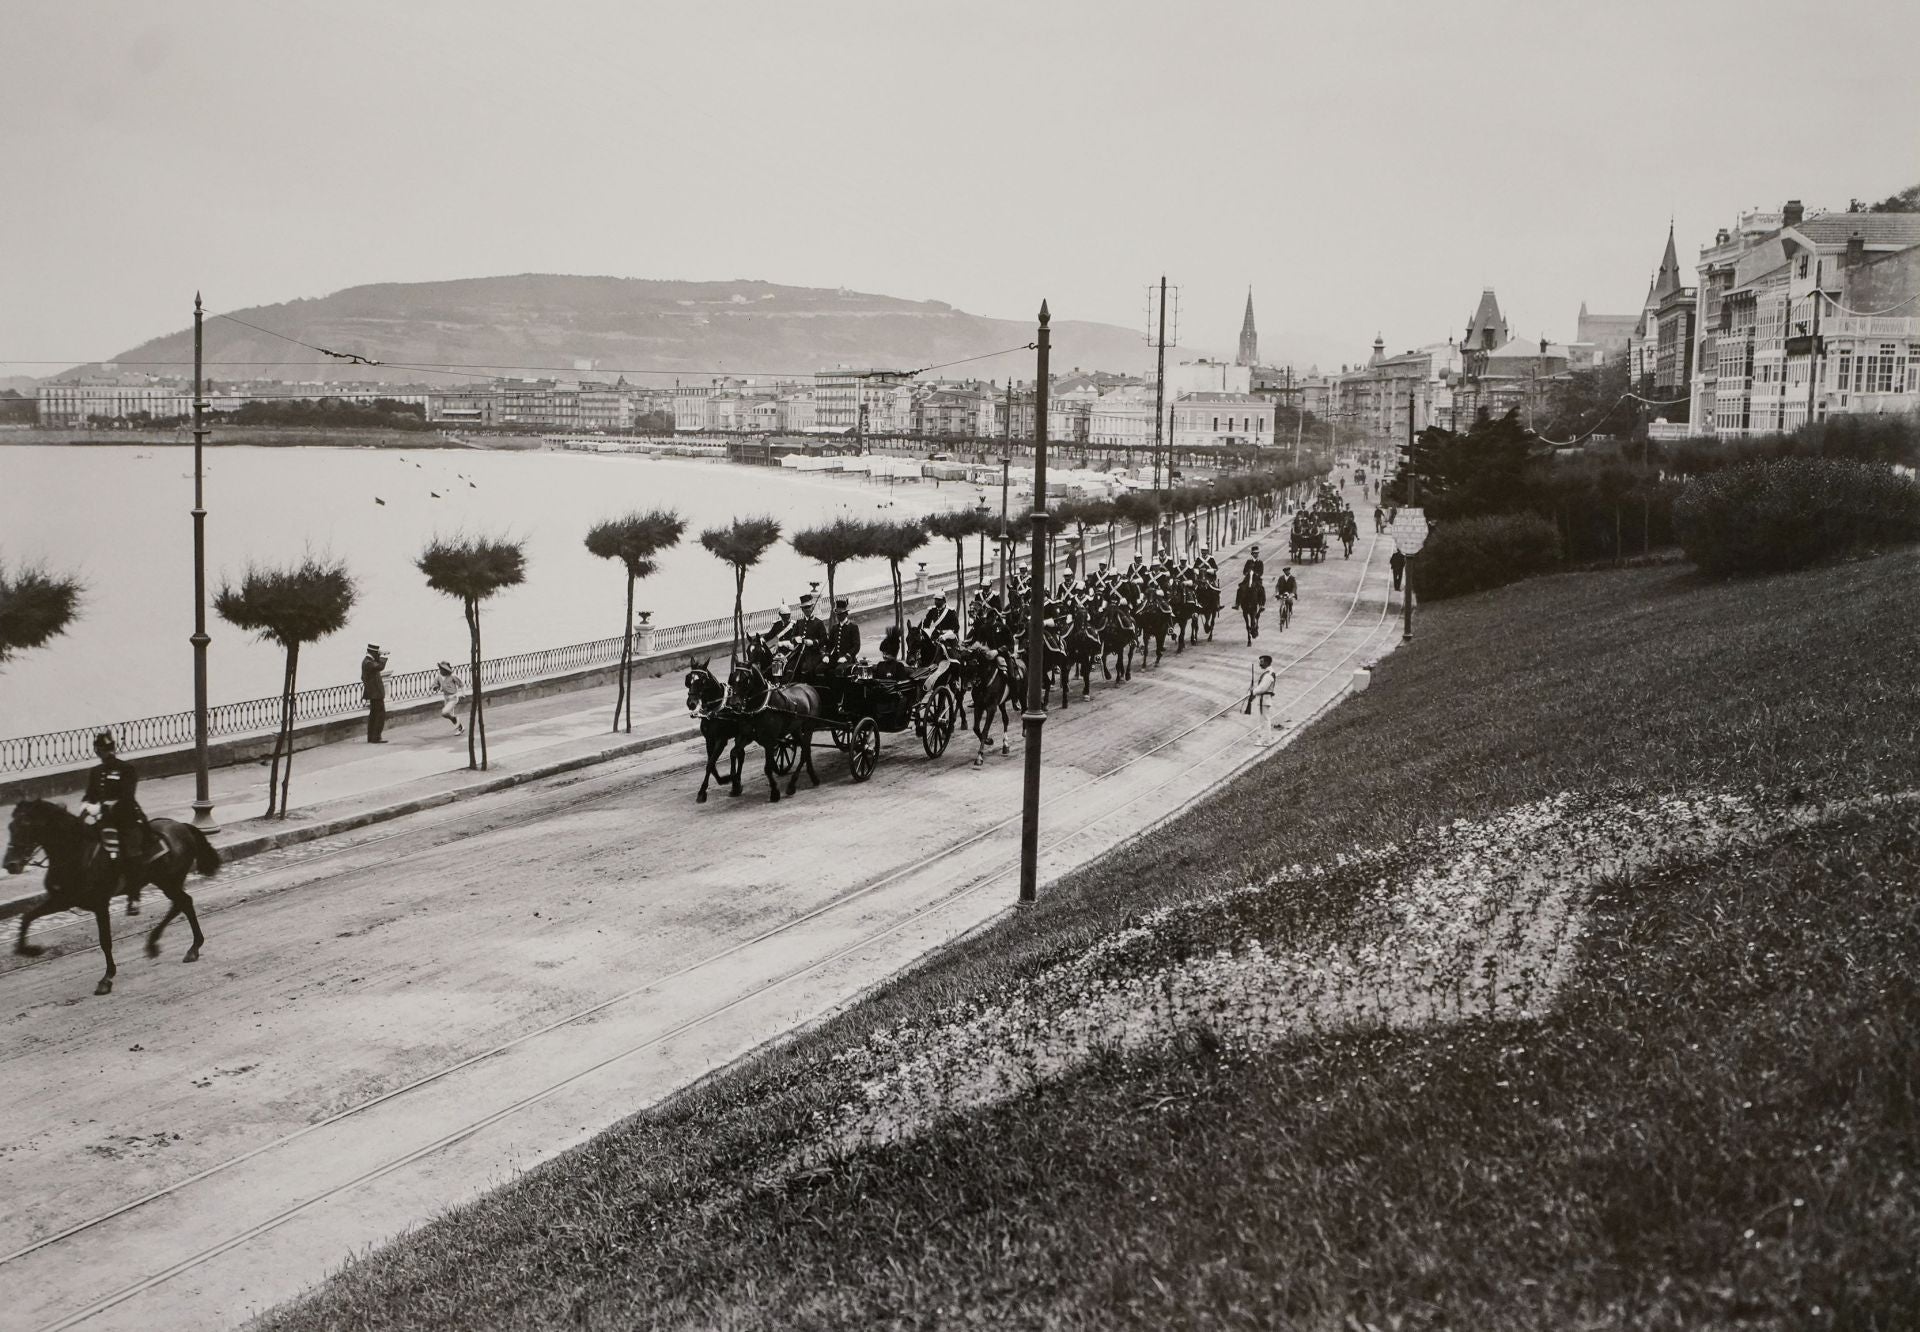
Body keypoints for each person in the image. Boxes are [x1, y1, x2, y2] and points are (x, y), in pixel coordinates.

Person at [80, 732, 148, 892]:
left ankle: (134, 894)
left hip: (126, 819)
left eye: (111, 748)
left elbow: (127, 798)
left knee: (131, 853)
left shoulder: (126, 769)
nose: (110, 753)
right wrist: (84, 809)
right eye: (105, 750)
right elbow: (90, 795)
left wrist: (101, 808)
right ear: (97, 752)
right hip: (105, 821)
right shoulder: (96, 772)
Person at [361, 644, 390, 743]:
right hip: (376, 694)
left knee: (374, 715)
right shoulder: (368, 662)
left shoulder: (367, 661)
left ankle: (372, 737)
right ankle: (376, 737)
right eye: (377, 653)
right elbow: (380, 667)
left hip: (374, 693)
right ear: (373, 652)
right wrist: (384, 656)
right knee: (379, 715)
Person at [825, 596, 861, 670]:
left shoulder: (853, 627)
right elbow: (830, 644)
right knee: (820, 668)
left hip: (848, 659)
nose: (838, 616)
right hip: (835, 657)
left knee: (839, 670)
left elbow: (856, 646)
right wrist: (827, 655)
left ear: (846, 613)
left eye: (841, 614)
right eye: (837, 614)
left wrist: (846, 657)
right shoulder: (834, 628)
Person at [1250, 655, 1278, 743]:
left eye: (1261, 662)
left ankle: (1265, 740)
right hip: (1263, 699)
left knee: (1265, 720)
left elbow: (1262, 688)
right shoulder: (1268, 672)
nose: (1260, 664)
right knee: (1263, 719)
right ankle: (1264, 738)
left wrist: (1253, 692)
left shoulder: (1269, 673)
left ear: (1266, 662)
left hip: (1265, 699)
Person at [434, 661, 465, 735]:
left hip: (453, 697)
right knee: (449, 715)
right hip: (446, 698)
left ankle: (456, 718)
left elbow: (461, 684)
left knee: (444, 713)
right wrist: (436, 687)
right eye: (440, 668)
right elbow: (435, 685)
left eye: (442, 669)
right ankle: (460, 728)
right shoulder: (439, 677)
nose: (440, 670)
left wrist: (463, 694)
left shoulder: (453, 676)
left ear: (446, 669)